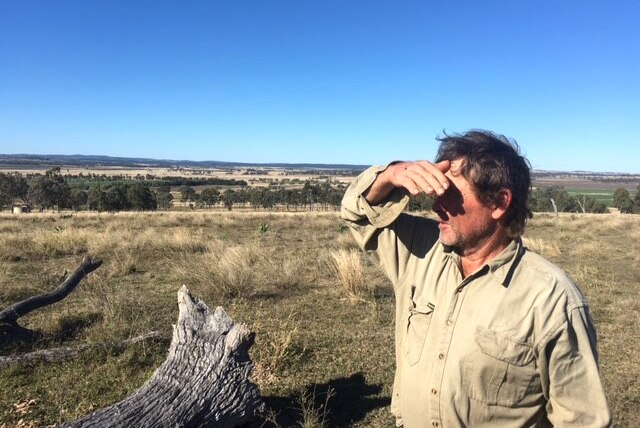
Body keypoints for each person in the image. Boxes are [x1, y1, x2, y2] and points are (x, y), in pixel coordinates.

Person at [340, 130, 611, 427]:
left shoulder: (552, 300)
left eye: (450, 194)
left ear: (499, 202)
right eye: (436, 193)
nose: (435, 205)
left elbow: (583, 421)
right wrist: (390, 175)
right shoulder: (420, 250)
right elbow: (358, 214)